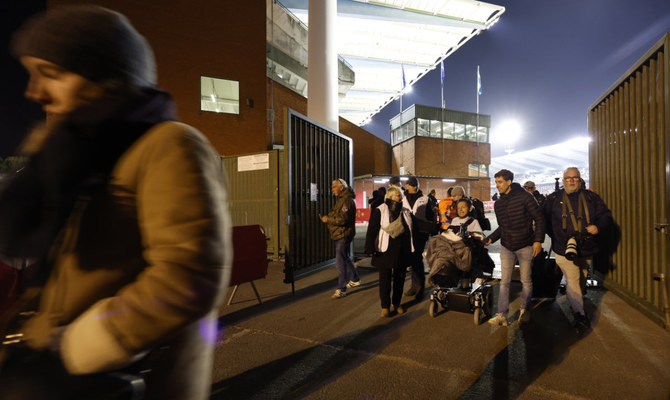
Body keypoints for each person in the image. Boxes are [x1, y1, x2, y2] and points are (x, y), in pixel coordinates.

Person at [0, 5, 231, 400]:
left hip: (114, 379)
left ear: (104, 79)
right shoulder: (76, 154)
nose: (33, 91)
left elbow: (190, 274)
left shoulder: (170, 144)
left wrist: (78, 346)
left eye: (51, 74)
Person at [543, 167, 612, 334]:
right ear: (563, 180)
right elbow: (543, 220)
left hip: (586, 247)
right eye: (568, 178)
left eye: (575, 178)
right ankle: (580, 315)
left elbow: (605, 216)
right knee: (573, 280)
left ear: (580, 180)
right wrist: (559, 237)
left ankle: (577, 302)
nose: (571, 181)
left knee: (580, 279)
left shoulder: (591, 197)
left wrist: (598, 227)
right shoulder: (553, 199)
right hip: (563, 249)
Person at [485, 169, 545, 326]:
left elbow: (539, 217)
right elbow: (502, 227)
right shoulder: (498, 204)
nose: (497, 185)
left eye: (500, 182)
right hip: (507, 246)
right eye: (496, 182)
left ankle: (525, 309)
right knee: (504, 281)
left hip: (525, 245)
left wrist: (538, 240)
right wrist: (491, 238)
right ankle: (502, 315)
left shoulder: (525, 197)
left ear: (509, 182)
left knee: (526, 280)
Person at [365, 186, 413, 317]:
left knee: (400, 278)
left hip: (402, 248)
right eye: (398, 195)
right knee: (384, 278)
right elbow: (372, 229)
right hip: (385, 247)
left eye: (401, 195)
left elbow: (410, 229)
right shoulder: (380, 210)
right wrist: (369, 248)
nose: (401, 198)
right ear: (391, 196)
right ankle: (385, 306)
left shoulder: (405, 211)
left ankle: (396, 303)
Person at [321, 178, 360, 299]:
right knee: (346, 257)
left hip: (343, 235)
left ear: (341, 187)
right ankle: (355, 279)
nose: (332, 190)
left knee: (340, 262)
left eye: (334, 187)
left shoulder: (346, 201)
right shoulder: (342, 200)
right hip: (341, 234)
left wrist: (328, 219)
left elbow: (343, 219)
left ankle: (341, 289)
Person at [402, 176, 434, 301]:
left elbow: (431, 217)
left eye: (416, 184)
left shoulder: (425, 199)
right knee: (411, 259)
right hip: (406, 234)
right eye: (411, 184)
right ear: (407, 186)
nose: (414, 187)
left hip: (420, 234)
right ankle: (414, 284)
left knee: (416, 259)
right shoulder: (402, 199)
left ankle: (419, 286)